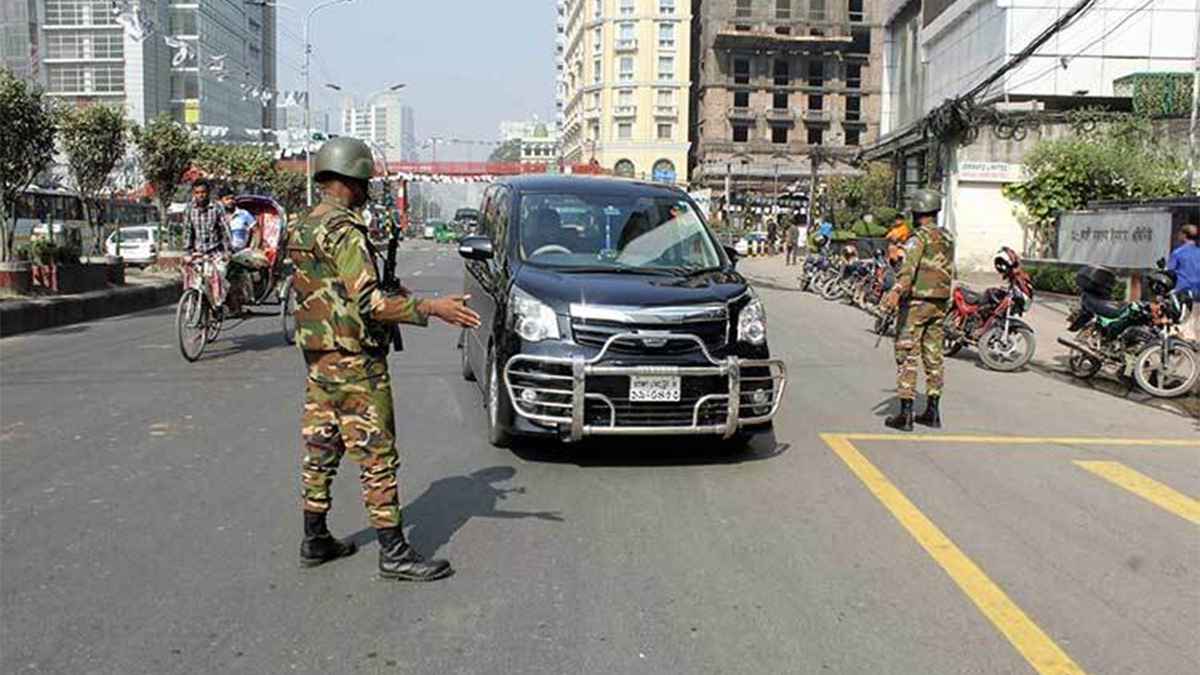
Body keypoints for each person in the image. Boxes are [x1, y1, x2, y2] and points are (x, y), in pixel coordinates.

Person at [288, 137, 481, 582]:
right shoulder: (344, 230)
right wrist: (433, 308)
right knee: (377, 455)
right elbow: (370, 304)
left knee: (321, 447)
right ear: (352, 180)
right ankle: (394, 550)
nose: (367, 190)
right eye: (364, 182)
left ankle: (314, 537)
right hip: (356, 361)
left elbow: (328, 291)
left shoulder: (303, 225)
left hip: (320, 358)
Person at [881, 189, 954, 431]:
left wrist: (895, 292)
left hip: (916, 303)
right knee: (934, 355)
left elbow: (908, 270)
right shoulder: (947, 237)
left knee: (907, 354)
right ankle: (933, 412)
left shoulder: (917, 239)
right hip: (940, 302)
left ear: (918, 211)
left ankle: (906, 414)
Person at [183, 178, 232, 307]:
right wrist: (187, 251)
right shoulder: (189, 209)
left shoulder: (217, 207)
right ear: (194, 194)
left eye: (203, 192)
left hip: (215, 252)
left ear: (208, 193)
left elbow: (225, 230)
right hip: (198, 252)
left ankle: (218, 306)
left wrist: (228, 251)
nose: (200, 195)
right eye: (197, 193)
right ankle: (194, 303)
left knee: (219, 276)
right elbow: (188, 231)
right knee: (193, 279)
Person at [1168, 224, 1200, 341]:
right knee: (1195, 325)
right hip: (1198, 294)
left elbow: (1170, 273)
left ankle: (1183, 352)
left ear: (1184, 235)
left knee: (1182, 325)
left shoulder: (1178, 253)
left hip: (1183, 293)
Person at [220, 188, 258, 252]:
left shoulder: (244, 214)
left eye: (232, 198)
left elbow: (257, 230)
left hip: (241, 253)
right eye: (227, 199)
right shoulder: (218, 215)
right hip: (223, 253)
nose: (230, 201)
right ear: (221, 201)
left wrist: (254, 248)